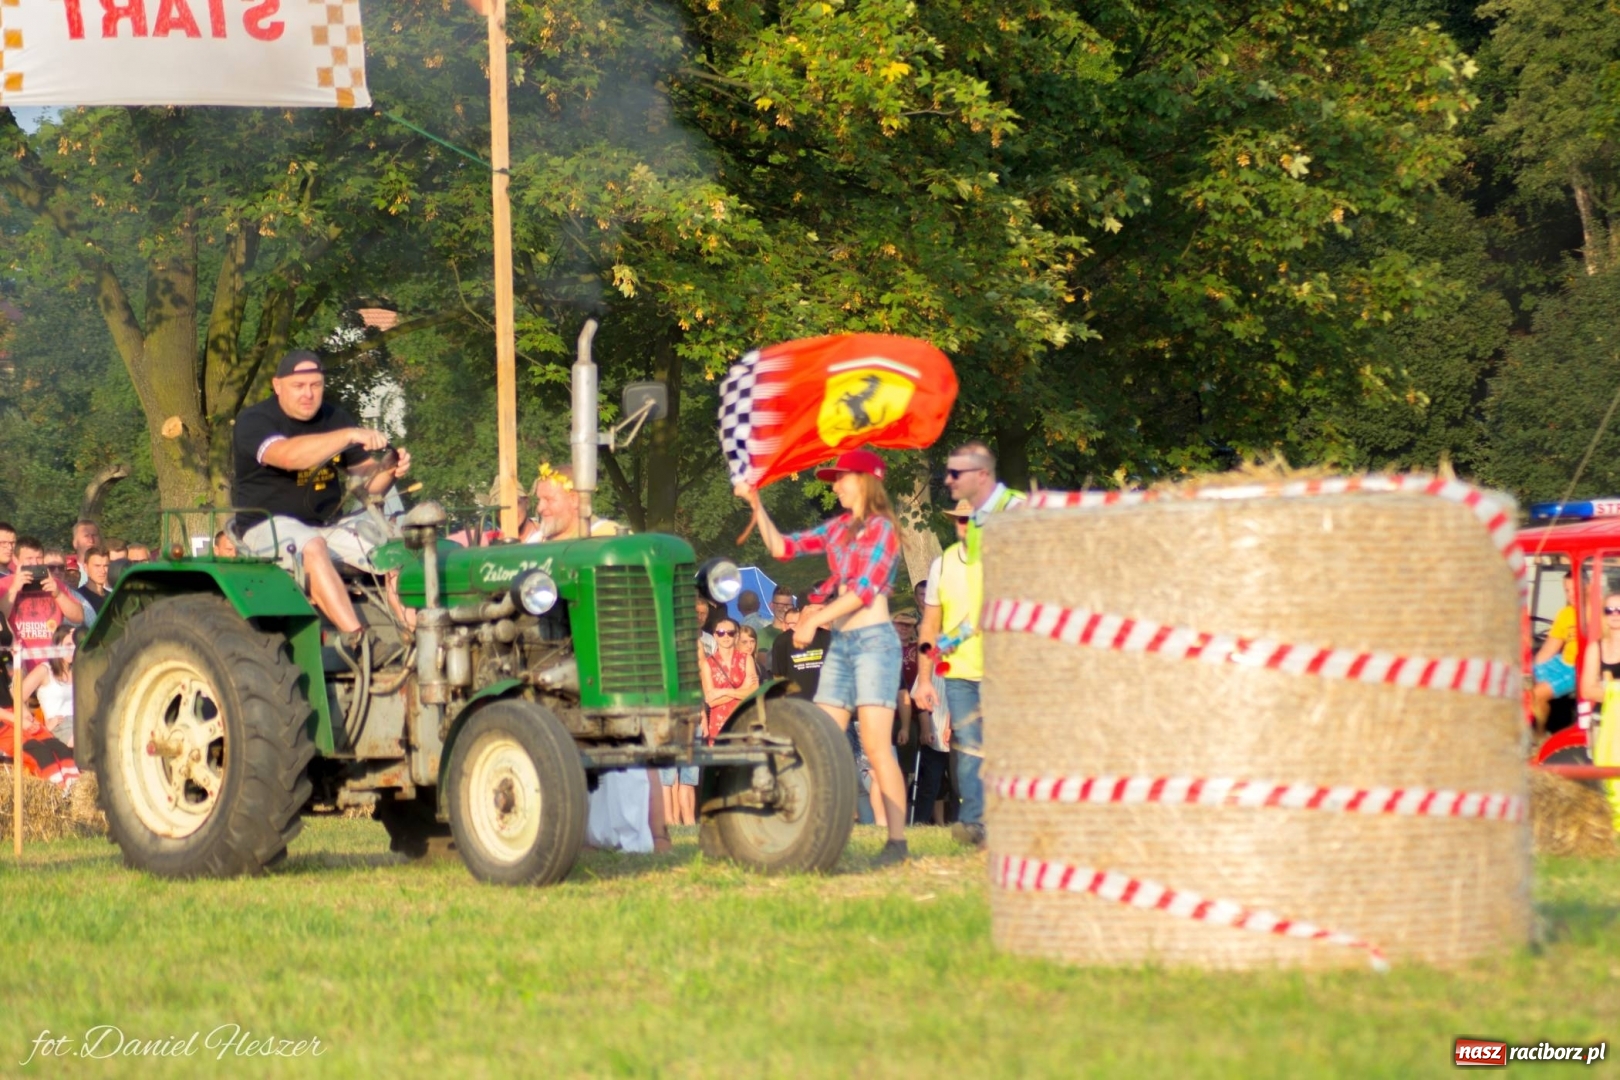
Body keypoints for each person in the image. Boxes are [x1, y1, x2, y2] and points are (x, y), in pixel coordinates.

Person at [737, 448, 910, 866]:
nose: (835, 488)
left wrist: (814, 619)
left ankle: (896, 842)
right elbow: (782, 547)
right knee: (822, 742)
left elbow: (864, 590)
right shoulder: (839, 529)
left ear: (865, 481)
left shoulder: (883, 529)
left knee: (876, 748)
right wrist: (756, 504)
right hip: (843, 647)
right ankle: (817, 834)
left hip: (874, 645)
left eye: (841, 479)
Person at [231, 349, 413, 652]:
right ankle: (360, 642)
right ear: (277, 385)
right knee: (312, 546)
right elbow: (289, 456)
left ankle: (420, 638)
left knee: (393, 549)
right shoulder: (255, 421)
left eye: (315, 385)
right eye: (299, 386)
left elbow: (369, 484)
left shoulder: (334, 418)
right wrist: (349, 435)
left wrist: (390, 468)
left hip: (327, 525)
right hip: (266, 527)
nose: (308, 394)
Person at [913, 497, 992, 847]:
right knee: (970, 752)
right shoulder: (941, 566)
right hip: (960, 675)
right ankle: (975, 824)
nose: (967, 526)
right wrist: (924, 680)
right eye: (962, 520)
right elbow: (930, 625)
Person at [1, 537, 87, 673]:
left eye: (39, 558)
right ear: (16, 560)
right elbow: (1, 618)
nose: (35, 563)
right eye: (29, 559)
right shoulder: (4, 585)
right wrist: (14, 588)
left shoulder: (55, 583)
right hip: (17, 665)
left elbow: (79, 617)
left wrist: (58, 594)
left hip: (53, 666)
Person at [944, 440, 1025, 565]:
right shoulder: (975, 521)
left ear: (981, 475)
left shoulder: (1017, 508)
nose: (948, 480)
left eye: (955, 474)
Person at [521, 462, 619, 542]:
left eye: (548, 499)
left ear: (574, 500)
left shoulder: (607, 537)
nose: (540, 508)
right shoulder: (535, 542)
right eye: (539, 500)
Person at [699, 616, 758, 744]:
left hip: (745, 719)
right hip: (720, 723)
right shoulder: (708, 664)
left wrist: (723, 692)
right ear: (715, 636)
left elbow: (754, 692)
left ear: (736, 636)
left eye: (730, 633)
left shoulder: (746, 659)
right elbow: (711, 701)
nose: (726, 636)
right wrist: (742, 689)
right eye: (721, 633)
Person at [1533, 575, 1580, 725]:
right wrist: (1530, 670)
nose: (1571, 594)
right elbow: (1548, 649)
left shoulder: (1599, 614)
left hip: (1578, 669)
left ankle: (1540, 734)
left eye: (1574, 589)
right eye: (1567, 590)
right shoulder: (1564, 614)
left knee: (1535, 694)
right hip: (1562, 662)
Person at [20, 624, 76, 748]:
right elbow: (16, 695)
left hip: (81, 721)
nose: (73, 649)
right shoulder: (45, 670)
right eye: (68, 645)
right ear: (57, 646)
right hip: (60, 725)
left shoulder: (79, 670)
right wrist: (33, 722)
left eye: (76, 644)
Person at [771, 609, 831, 701]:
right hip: (795, 703)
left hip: (825, 701)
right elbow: (778, 676)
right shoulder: (782, 641)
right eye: (791, 623)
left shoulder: (828, 637)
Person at [78, 546, 112, 619]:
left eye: (106, 566)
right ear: (85, 567)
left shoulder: (112, 597)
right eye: (97, 566)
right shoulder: (78, 597)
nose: (102, 571)